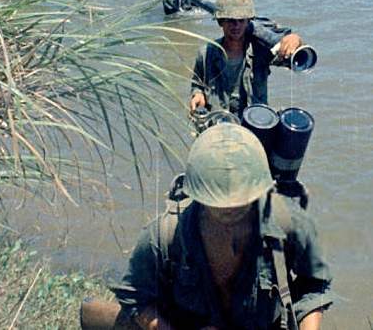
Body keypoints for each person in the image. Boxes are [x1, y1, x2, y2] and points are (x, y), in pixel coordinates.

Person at [109, 123, 333, 329]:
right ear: (197, 193)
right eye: (217, 202)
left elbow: (315, 286)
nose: (230, 209)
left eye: (241, 200)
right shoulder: (164, 235)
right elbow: (135, 298)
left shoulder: (291, 224)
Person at [190, 0, 303, 118]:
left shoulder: (260, 51)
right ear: (221, 22)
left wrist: (295, 40)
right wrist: (197, 95)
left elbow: (293, 60)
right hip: (218, 123)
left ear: (248, 21)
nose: (236, 26)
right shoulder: (206, 53)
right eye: (231, 20)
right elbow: (197, 84)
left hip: (254, 123)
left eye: (241, 21)